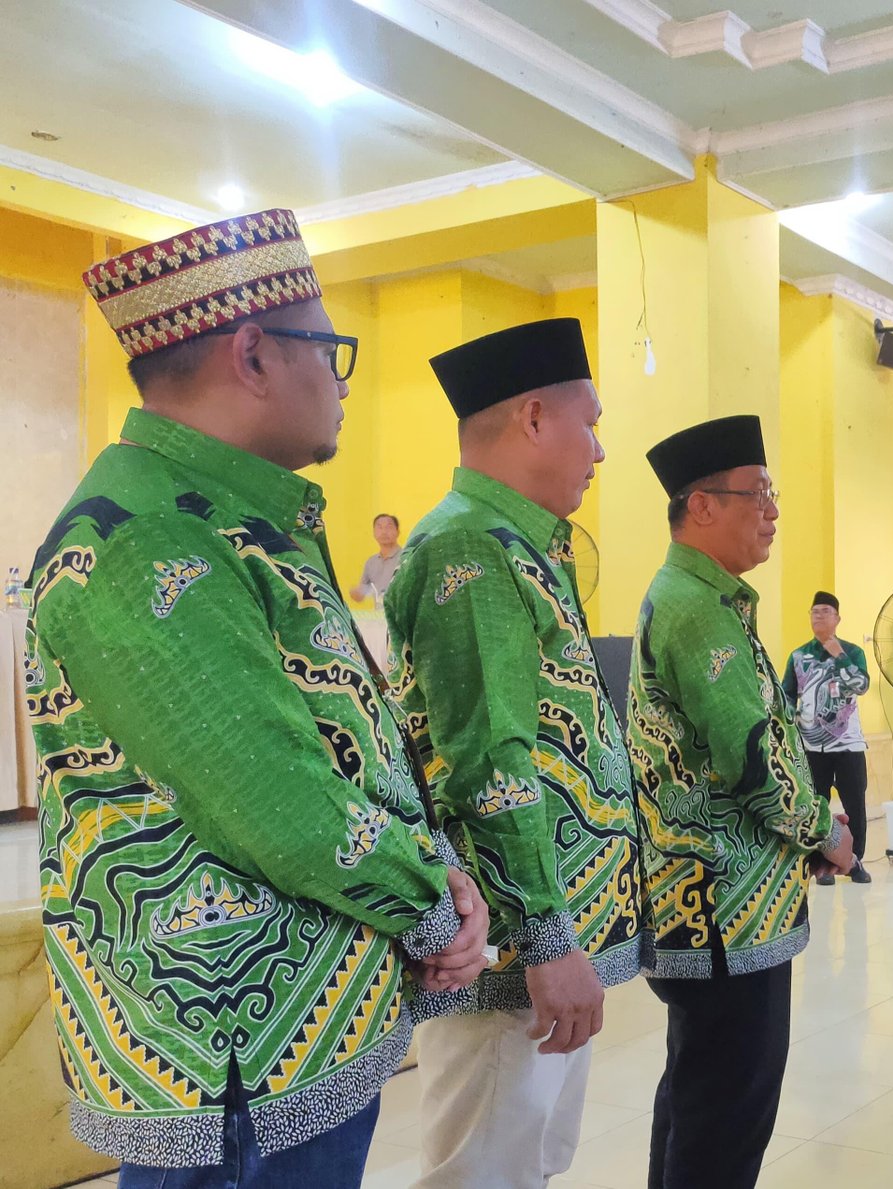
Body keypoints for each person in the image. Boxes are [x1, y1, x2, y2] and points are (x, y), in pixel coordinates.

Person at [28, 210, 489, 1187]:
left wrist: (435, 867)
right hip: (230, 1051)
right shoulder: (143, 537)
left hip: (296, 1026)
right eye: (332, 352)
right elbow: (276, 799)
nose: (342, 381)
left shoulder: (239, 516)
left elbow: (344, 736)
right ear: (252, 354)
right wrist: (433, 903)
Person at [385, 319, 644, 1188]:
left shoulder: (524, 543)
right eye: (591, 422)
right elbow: (488, 763)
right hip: (510, 948)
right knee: (485, 1170)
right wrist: (546, 935)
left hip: (543, 939)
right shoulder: (470, 548)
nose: (600, 451)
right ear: (534, 418)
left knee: (528, 1161)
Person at [629, 415, 856, 1189]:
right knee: (726, 1108)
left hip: (724, 904)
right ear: (701, 506)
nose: (773, 510)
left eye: (772, 492)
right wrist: (826, 828)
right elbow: (752, 756)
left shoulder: (708, 600)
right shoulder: (696, 610)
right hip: (719, 909)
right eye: (756, 494)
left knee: (699, 1092)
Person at [783, 591, 873, 885]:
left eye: (825, 611)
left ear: (837, 618)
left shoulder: (852, 652)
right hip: (811, 747)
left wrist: (838, 654)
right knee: (816, 803)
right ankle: (821, 863)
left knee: (855, 805)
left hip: (847, 745)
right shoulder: (798, 656)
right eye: (814, 611)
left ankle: (855, 861)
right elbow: (786, 697)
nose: (819, 616)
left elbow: (861, 685)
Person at [349, 512, 403, 603]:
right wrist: (356, 593)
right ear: (374, 533)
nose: (384, 532)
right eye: (379, 527)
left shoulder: (406, 558)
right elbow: (360, 595)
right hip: (378, 615)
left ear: (397, 532)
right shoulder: (371, 562)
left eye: (389, 527)